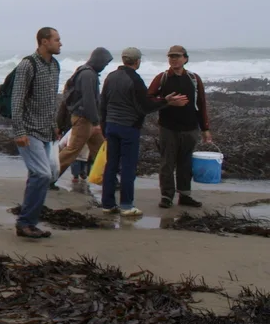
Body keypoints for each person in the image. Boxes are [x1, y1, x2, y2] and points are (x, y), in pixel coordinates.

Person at [99, 47, 188, 217]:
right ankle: (126, 205)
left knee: (111, 165)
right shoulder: (135, 79)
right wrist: (166, 101)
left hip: (111, 126)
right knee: (127, 167)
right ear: (137, 61)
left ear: (124, 59)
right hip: (128, 127)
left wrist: (104, 126)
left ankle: (108, 204)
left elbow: (103, 103)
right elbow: (145, 107)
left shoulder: (110, 77)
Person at [10, 28, 63, 239]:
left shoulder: (55, 66)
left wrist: (55, 125)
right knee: (43, 174)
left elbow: (52, 100)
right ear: (44, 42)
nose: (60, 43)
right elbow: (17, 100)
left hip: (46, 131)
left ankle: (28, 223)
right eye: (57, 40)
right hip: (29, 131)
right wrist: (19, 131)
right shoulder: (27, 65)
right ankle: (25, 222)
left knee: (38, 175)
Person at [148, 46, 213, 209]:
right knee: (167, 163)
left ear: (185, 58)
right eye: (170, 56)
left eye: (177, 56)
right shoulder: (162, 78)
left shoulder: (194, 78)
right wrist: (167, 101)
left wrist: (205, 128)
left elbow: (201, 104)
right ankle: (166, 196)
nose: (173, 59)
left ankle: (185, 196)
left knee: (186, 163)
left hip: (190, 128)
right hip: (168, 128)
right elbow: (148, 100)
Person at [56, 47, 113, 196]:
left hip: (86, 118)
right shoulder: (88, 74)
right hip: (84, 119)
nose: (105, 66)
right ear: (99, 60)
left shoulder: (85, 71)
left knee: (101, 148)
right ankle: (48, 177)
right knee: (72, 150)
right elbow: (89, 101)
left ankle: (110, 179)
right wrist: (96, 122)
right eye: (105, 63)